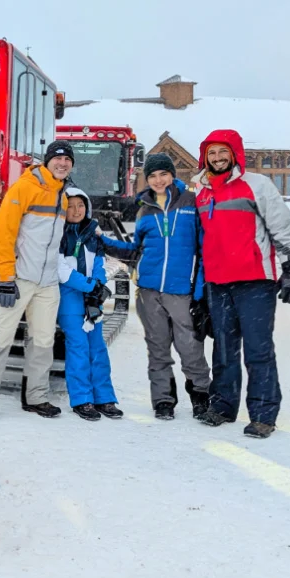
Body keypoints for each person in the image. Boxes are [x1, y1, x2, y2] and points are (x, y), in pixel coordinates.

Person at [191, 130, 290, 440]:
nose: (217, 158)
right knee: (224, 349)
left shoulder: (256, 185)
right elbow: (201, 240)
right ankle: (224, 406)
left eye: (222, 152)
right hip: (217, 281)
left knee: (258, 349)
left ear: (235, 153)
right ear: (205, 157)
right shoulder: (202, 192)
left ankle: (264, 415)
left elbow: (282, 224)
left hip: (254, 281)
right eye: (211, 153)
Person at [101, 153, 211, 420]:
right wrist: (103, 242)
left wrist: (199, 291)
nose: (158, 180)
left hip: (181, 291)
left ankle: (201, 395)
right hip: (149, 291)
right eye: (152, 176)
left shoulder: (191, 203)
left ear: (172, 175)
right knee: (158, 348)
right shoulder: (145, 210)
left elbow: (204, 249)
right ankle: (163, 400)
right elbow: (138, 250)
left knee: (190, 347)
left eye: (163, 174)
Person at [0, 140, 74, 425]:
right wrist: (6, 278)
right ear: (47, 161)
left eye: (67, 160)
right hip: (18, 279)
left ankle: (36, 397)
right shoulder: (24, 188)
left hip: (47, 283)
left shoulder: (62, 196)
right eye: (58, 159)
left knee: (42, 341)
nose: (62, 164)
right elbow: (4, 234)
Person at [56, 188, 121, 420]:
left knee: (98, 347)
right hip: (70, 296)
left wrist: (99, 285)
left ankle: (104, 396)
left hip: (92, 296)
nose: (75, 210)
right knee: (78, 346)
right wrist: (88, 285)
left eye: (80, 206)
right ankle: (82, 398)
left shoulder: (93, 233)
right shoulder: (59, 233)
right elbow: (61, 269)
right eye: (70, 206)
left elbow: (100, 263)